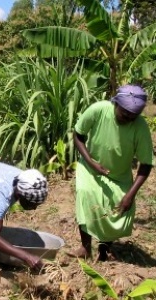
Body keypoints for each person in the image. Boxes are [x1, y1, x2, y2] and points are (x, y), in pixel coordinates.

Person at [69, 84, 153, 261]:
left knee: (115, 210)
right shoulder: (98, 110)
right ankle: (85, 248)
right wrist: (91, 162)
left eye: (133, 116)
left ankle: (104, 248)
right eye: (125, 114)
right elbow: (78, 134)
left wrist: (130, 194)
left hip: (120, 176)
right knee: (86, 196)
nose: (128, 119)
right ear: (116, 104)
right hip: (90, 168)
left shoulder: (140, 127)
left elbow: (146, 164)